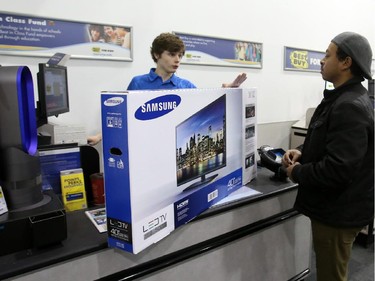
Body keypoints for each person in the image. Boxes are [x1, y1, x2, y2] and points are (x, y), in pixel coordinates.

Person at [282, 31, 374, 281]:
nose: (321, 60)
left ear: (346, 62)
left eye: (327, 55)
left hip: (339, 213)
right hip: (335, 209)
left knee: (331, 275)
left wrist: (296, 172)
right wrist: (301, 152)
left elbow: (338, 169)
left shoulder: (349, 106)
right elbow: (328, 143)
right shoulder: (341, 98)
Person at [88, 32, 247, 145]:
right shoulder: (137, 83)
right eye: (172, 54)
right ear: (157, 55)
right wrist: (100, 136)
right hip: (143, 148)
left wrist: (226, 91)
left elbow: (207, 110)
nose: (177, 60)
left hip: (173, 150)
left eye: (180, 55)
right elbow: (122, 118)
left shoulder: (186, 86)